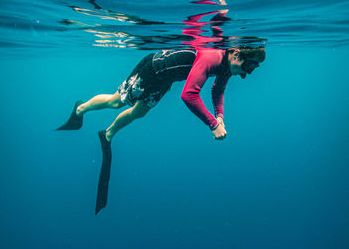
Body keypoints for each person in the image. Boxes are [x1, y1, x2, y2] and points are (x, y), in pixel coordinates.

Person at [56, 47, 266, 214]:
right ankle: (80, 109)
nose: (246, 74)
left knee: (140, 112)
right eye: (249, 67)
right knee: (116, 102)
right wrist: (212, 124)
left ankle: (108, 133)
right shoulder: (212, 57)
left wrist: (220, 117)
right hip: (152, 68)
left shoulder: (227, 66)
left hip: (165, 78)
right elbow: (189, 96)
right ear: (236, 53)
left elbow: (218, 89)